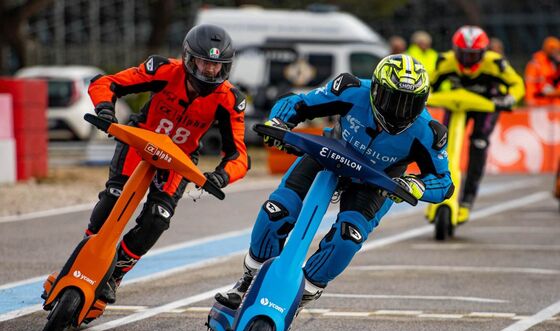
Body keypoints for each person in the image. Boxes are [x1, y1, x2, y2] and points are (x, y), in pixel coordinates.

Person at [215, 54, 454, 310]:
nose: (400, 111)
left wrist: (417, 186)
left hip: (376, 181)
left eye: (410, 104)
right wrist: (279, 123)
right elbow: (298, 103)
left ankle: (302, 295)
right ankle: (248, 281)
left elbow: (444, 182)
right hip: (328, 156)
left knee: (347, 238)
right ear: (375, 90)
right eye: (392, 100)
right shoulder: (351, 89)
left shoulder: (429, 131)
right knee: (276, 211)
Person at [87, 24, 249, 303]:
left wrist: (222, 176)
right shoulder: (162, 70)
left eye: (216, 65)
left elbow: (239, 156)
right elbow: (106, 83)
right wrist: (105, 108)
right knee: (115, 196)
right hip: (140, 141)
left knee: (158, 217)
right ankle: (86, 252)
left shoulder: (230, 100)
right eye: (204, 62)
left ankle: (115, 274)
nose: (209, 71)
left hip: (179, 158)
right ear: (188, 58)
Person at [430, 25, 525, 224]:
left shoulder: (495, 63)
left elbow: (517, 84)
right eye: (463, 54)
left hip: (486, 107)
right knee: (441, 145)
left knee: (479, 145)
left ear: (483, 52)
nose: (467, 60)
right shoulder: (445, 61)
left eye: (473, 55)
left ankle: (466, 201)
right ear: (455, 51)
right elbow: (427, 82)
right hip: (455, 105)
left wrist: (509, 99)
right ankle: (436, 194)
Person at [524, 36, 560, 106]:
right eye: (552, 49)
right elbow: (530, 83)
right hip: (539, 103)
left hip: (555, 103)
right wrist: (530, 99)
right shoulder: (536, 63)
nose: (554, 52)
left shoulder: (556, 63)